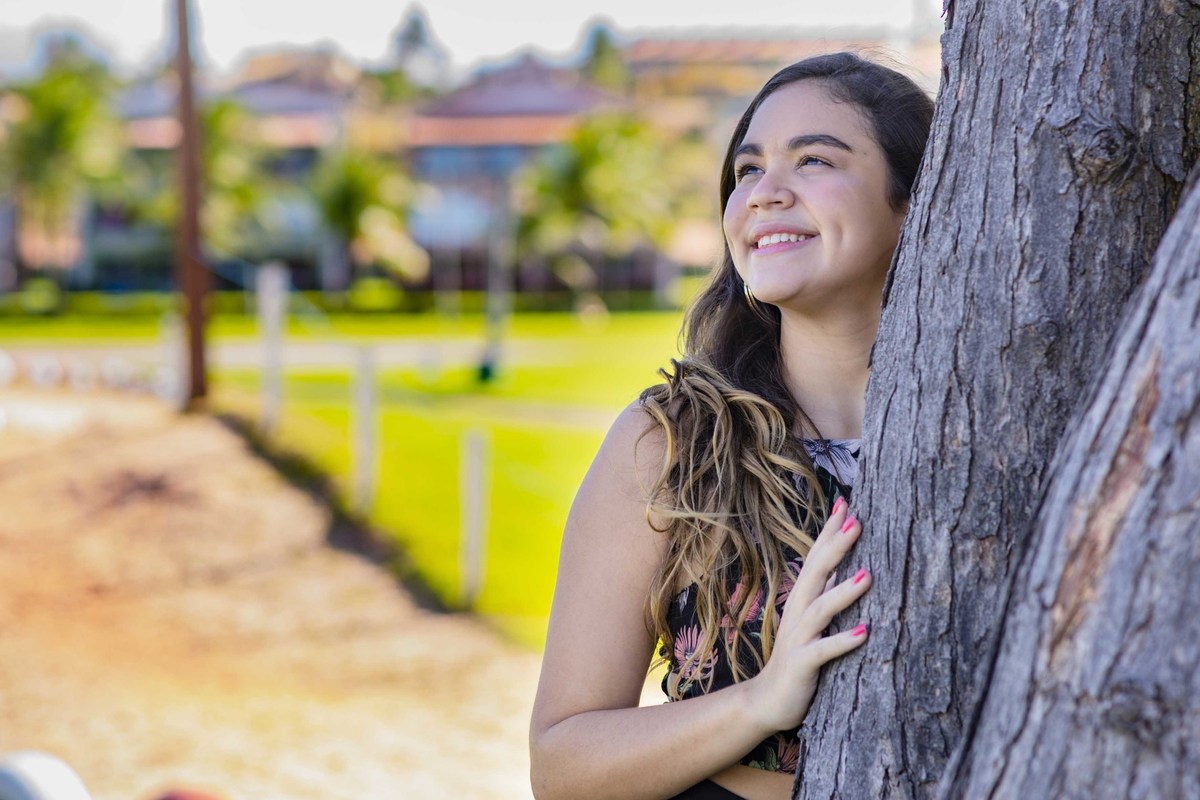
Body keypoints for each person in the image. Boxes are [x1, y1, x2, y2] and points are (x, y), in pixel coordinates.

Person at [529, 52, 934, 800]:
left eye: (814, 160)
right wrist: (759, 702)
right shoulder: (669, 444)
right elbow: (562, 767)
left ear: (917, 200)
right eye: (748, 170)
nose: (763, 194)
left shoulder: (1004, 434)